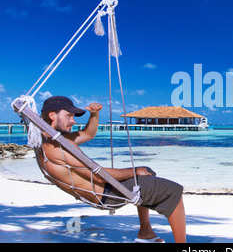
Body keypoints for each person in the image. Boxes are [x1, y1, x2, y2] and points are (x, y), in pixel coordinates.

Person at [38, 96, 186, 243]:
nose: (73, 121)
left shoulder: (46, 142)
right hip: (108, 194)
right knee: (174, 192)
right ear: (52, 115)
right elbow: (98, 176)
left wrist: (94, 114)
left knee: (147, 171)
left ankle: (145, 231)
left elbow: (88, 134)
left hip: (99, 192)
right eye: (69, 116)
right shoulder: (61, 148)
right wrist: (134, 171)